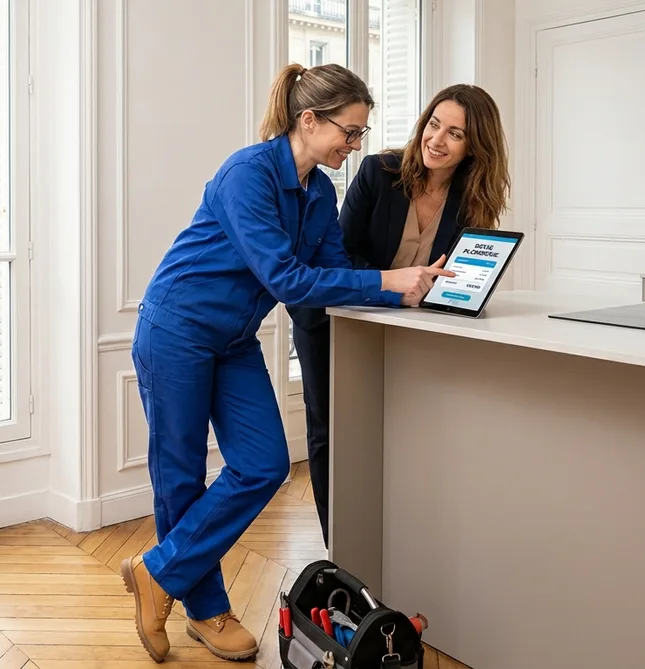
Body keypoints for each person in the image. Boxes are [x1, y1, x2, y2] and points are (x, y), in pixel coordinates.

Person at [119, 63, 456, 663]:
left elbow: (327, 275)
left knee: (265, 463)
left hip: (234, 337)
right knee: (180, 475)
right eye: (349, 134)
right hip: (178, 328)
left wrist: (404, 290)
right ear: (309, 120)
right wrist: (387, 278)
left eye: (360, 135)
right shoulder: (246, 174)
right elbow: (285, 277)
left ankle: (156, 571)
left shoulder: (320, 193)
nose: (354, 147)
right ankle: (205, 609)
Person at [287, 83, 512, 547]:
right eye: (434, 124)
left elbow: (454, 275)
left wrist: (468, 287)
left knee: (399, 433)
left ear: (476, 147)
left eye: (455, 134)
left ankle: (397, 544)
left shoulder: (474, 201)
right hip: (334, 320)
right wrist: (399, 282)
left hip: (407, 330)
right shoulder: (378, 172)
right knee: (331, 433)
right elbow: (341, 258)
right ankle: (340, 547)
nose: (437, 140)